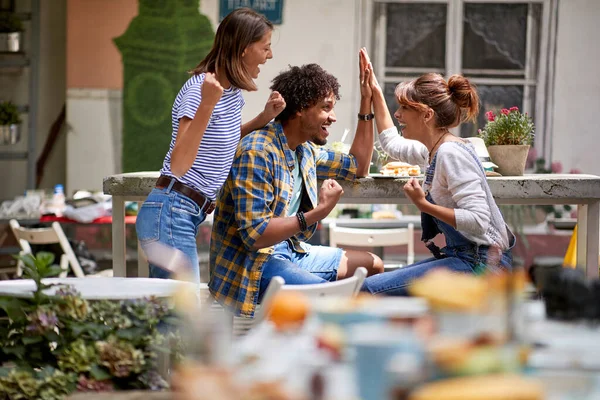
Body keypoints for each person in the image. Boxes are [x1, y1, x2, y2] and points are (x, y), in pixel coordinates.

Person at [209, 51, 384, 317]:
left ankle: (333, 338)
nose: (333, 117)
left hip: (290, 251)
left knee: (373, 265)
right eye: (326, 107)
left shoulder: (304, 150)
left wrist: (366, 104)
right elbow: (255, 235)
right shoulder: (257, 152)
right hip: (254, 266)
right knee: (331, 299)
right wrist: (317, 213)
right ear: (301, 108)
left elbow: (358, 166)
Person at [135, 8, 286, 284]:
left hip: (185, 214)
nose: (270, 55)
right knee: (182, 313)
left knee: (174, 315)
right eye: (265, 47)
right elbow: (180, 162)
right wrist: (206, 103)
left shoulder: (229, 94)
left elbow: (219, 142)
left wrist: (263, 118)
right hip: (170, 212)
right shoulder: (199, 90)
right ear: (242, 48)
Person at [359, 49, 516, 296]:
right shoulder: (434, 151)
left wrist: (423, 204)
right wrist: (374, 92)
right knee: (374, 285)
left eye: (403, 108)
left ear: (426, 115)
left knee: (369, 289)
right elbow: (392, 144)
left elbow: (478, 220)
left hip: (483, 266)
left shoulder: (450, 153)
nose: (398, 114)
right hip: (464, 257)